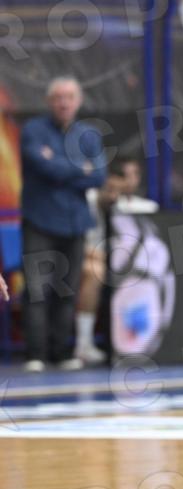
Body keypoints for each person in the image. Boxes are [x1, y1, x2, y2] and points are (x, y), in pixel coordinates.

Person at [20, 76, 105, 373]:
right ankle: (36, 354)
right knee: (37, 290)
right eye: (58, 97)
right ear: (49, 101)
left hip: (75, 224)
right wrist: (79, 168)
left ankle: (61, 352)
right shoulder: (33, 130)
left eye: (69, 97)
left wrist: (58, 164)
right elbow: (43, 167)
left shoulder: (89, 135)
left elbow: (98, 176)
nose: (64, 103)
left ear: (78, 102)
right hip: (39, 222)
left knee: (67, 291)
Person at [75, 156, 157, 364]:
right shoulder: (85, 202)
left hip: (114, 264)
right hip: (79, 261)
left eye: (118, 192)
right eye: (109, 189)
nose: (113, 196)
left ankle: (132, 344)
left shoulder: (121, 207)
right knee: (95, 272)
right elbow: (78, 247)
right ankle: (84, 344)